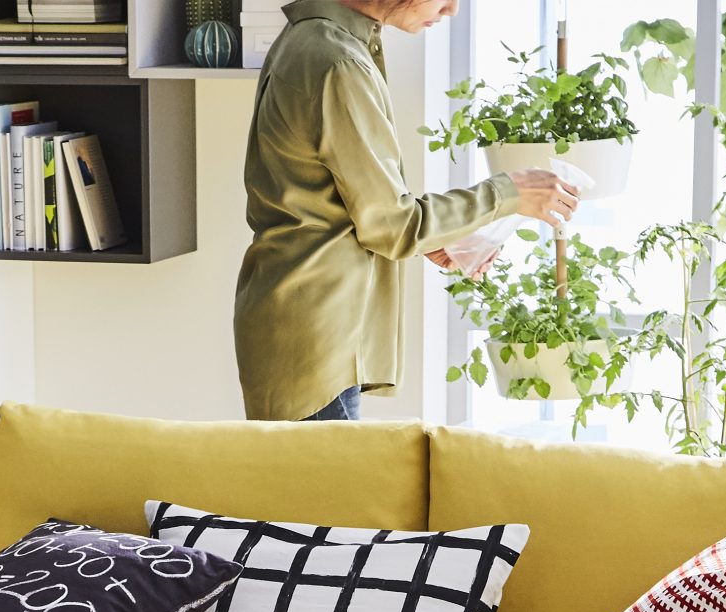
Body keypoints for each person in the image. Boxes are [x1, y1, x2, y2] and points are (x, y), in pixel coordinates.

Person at [237, 0, 579, 423]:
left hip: (302, 327)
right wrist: (509, 192)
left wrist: (438, 235)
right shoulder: (338, 62)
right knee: (326, 489)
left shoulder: (312, 40)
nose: (452, 9)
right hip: (318, 340)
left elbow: (340, 205)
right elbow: (394, 226)